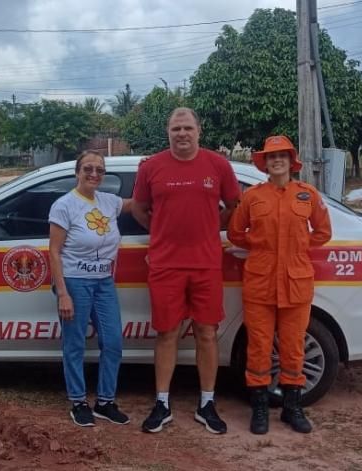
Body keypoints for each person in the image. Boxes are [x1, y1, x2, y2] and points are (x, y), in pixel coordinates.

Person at [132, 107, 241, 434]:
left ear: (199, 130)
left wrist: (212, 229)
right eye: (176, 128)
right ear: (168, 131)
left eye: (187, 128)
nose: (182, 133)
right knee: (166, 333)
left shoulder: (218, 165)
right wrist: (160, 231)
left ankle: (207, 403)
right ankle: (162, 403)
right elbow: (138, 207)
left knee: (207, 333)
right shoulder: (151, 167)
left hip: (206, 264)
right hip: (165, 265)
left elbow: (234, 205)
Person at [227, 135, 332, 435]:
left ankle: (292, 408)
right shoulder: (253, 197)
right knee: (259, 348)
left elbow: (323, 231)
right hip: (260, 282)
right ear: (264, 163)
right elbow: (236, 232)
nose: (277, 161)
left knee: (293, 347)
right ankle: (259, 408)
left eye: (282, 156)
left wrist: (297, 246)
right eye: (271, 157)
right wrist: (260, 244)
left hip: (296, 282)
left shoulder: (307, 194)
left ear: (291, 161)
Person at [48, 150, 132, 427]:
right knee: (74, 344)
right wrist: (63, 294)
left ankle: (105, 402)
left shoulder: (109, 201)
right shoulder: (64, 205)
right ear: (77, 172)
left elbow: (140, 204)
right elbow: (54, 251)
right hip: (75, 282)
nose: (94, 174)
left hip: (104, 282)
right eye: (88, 169)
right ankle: (79, 401)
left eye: (99, 169)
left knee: (113, 342)